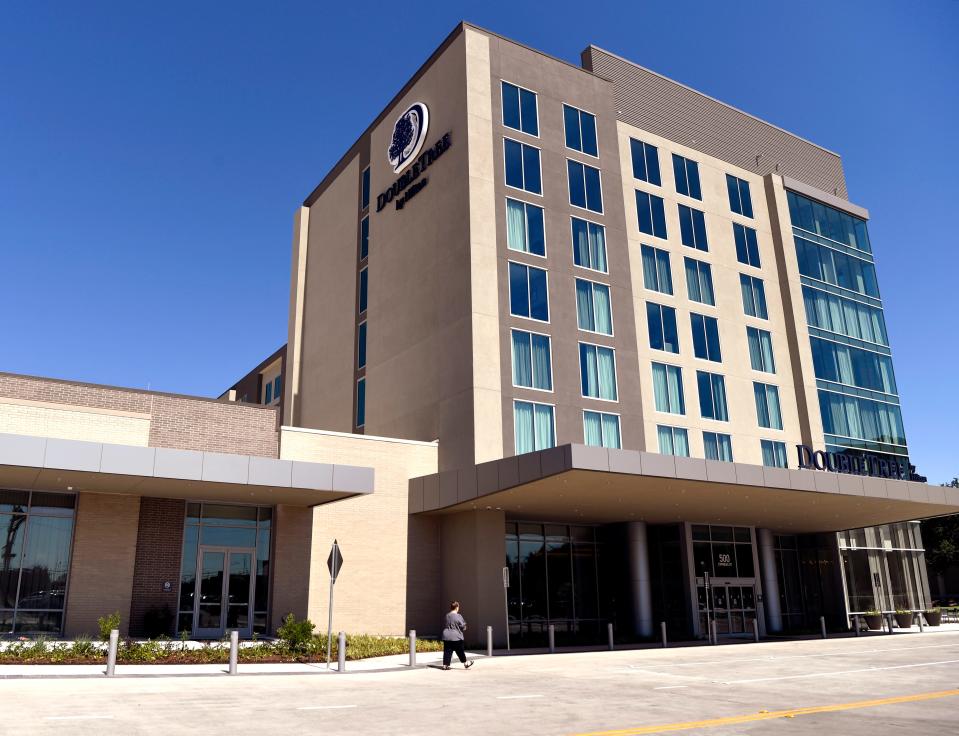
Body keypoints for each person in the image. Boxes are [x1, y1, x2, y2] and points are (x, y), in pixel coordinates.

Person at [441, 600, 473, 670]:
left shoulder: (447, 615)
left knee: (447, 651)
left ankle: (445, 665)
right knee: (460, 651)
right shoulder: (458, 616)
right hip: (456, 637)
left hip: (446, 636)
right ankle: (466, 663)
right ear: (457, 607)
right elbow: (463, 626)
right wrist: (464, 627)